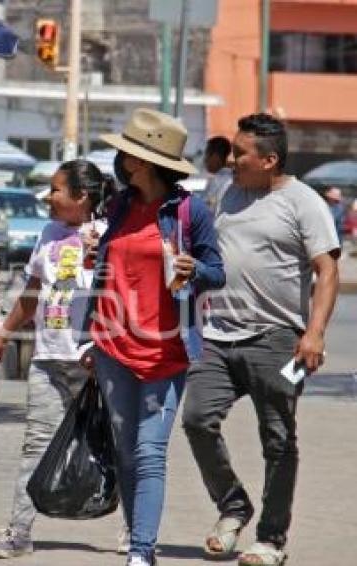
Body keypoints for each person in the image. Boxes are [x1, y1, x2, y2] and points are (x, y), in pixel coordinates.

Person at [181, 113, 340, 566]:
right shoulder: (229, 193)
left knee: (278, 439)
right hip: (218, 335)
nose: (231, 160)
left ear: (269, 160)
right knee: (196, 419)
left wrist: (314, 334)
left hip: (277, 340)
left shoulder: (303, 202)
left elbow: (327, 271)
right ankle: (233, 505)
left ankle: (271, 538)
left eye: (240, 154)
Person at [83, 108, 225, 566]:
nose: (120, 158)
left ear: (143, 161)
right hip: (112, 346)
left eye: (127, 151)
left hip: (165, 348)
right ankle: (135, 535)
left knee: (149, 452)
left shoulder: (189, 210)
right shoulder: (118, 206)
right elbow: (111, 269)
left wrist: (195, 269)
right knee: (125, 452)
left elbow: (217, 272)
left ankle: (141, 552)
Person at [0, 160, 108, 560]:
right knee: (36, 444)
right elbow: (34, 290)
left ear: (81, 196)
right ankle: (19, 532)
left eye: (55, 190)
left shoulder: (109, 234)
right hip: (49, 357)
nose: (48, 197)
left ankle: (134, 531)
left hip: (95, 361)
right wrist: (3, 335)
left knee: (115, 445)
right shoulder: (49, 233)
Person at [202, 136, 234, 212]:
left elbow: (208, 209)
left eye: (207, 155)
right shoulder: (230, 177)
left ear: (215, 156)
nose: (205, 160)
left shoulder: (219, 180)